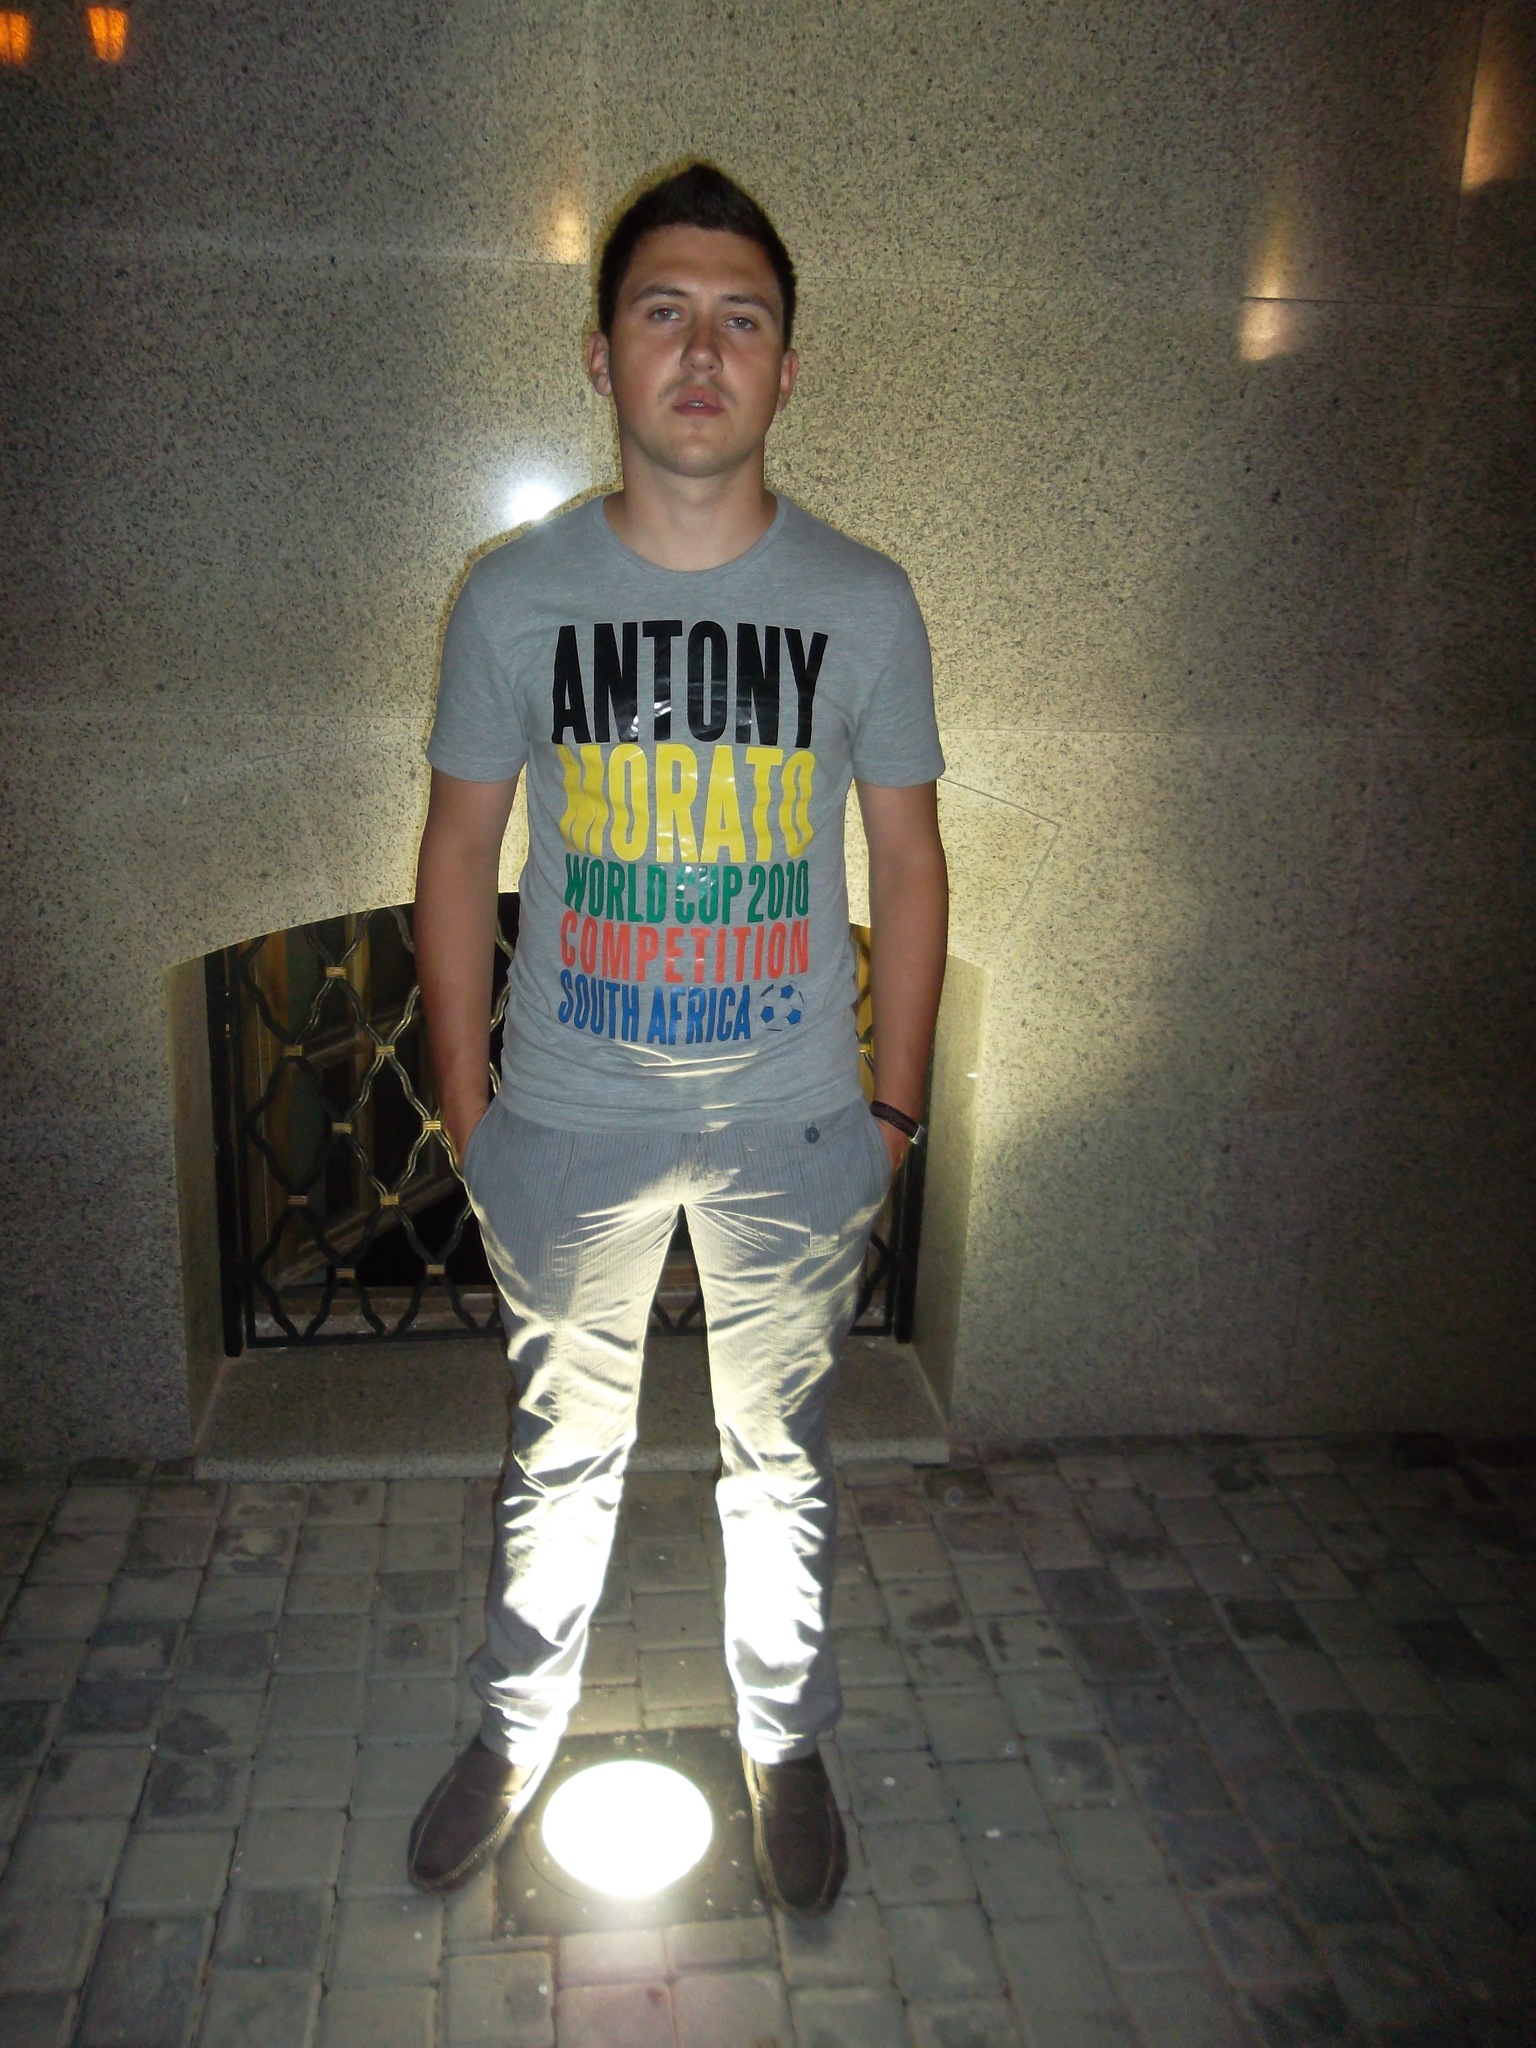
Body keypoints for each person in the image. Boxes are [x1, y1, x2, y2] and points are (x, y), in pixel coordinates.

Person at [406, 161, 948, 1918]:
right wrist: (477, 1111)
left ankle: (784, 1741)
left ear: (788, 366)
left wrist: (891, 1114)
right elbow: (459, 853)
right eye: (664, 312)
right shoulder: (513, 595)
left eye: (741, 319)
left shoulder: (865, 601)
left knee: (780, 1465)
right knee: (560, 1456)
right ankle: (516, 1728)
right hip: (569, 1120)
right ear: (601, 356)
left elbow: (910, 862)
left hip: (797, 1124)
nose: (702, 352)